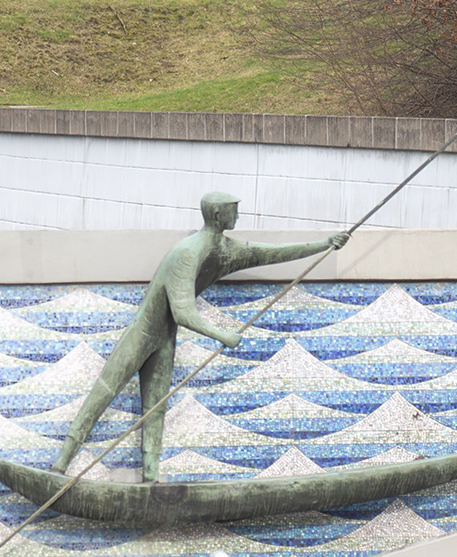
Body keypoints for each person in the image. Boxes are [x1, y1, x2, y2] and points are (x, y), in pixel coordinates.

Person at [51, 192, 349, 483]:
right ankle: (61, 464)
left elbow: (270, 253)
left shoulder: (225, 249)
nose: (238, 214)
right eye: (234, 209)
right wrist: (222, 335)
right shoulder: (188, 252)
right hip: (142, 333)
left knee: (155, 408)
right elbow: (183, 312)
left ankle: (150, 478)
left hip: (164, 336)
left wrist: (324, 245)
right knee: (103, 393)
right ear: (219, 215)